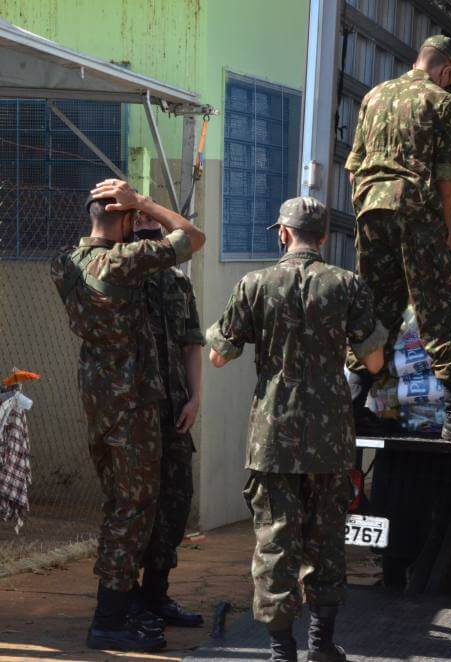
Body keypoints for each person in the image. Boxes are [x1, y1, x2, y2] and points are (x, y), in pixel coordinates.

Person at [207, 197, 386, 662]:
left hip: (273, 437)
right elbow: (374, 360)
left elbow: (219, 354)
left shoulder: (254, 284)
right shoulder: (347, 285)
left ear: (283, 234)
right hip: (329, 437)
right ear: (324, 237)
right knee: (326, 540)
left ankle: (280, 650)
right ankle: (321, 646)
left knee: (275, 541)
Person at [50, 179, 206, 652]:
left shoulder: (64, 263)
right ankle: (109, 620)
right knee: (131, 510)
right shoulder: (124, 262)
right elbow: (193, 239)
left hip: (103, 401)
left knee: (129, 505)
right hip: (134, 402)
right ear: (122, 221)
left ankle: (131, 607)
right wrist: (147, 204)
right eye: (131, 217)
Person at [344, 34, 451, 443]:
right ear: (446, 71)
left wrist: (364, 211)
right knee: (438, 308)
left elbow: (353, 168)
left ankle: (351, 406)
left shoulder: (374, 96)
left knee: (377, 306)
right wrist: (447, 232)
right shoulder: (441, 102)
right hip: (415, 212)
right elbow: (446, 177)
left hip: (370, 211)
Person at [130, 214, 205, 628]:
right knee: (134, 506)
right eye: (135, 217)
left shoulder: (178, 283)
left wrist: (195, 397)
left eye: (150, 216)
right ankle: (128, 599)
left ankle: (156, 595)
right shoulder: (122, 273)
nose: (144, 222)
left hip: (174, 409)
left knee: (176, 500)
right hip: (134, 411)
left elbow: (192, 343)